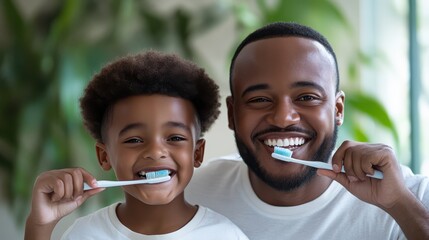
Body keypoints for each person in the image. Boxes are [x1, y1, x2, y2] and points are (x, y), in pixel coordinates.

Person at [185, 22, 429, 239]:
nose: (282, 119)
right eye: (259, 99)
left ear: (338, 109)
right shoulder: (187, 196)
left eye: (307, 97)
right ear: (232, 114)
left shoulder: (413, 197)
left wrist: (400, 204)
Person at [24, 51, 249, 240]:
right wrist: (40, 226)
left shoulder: (225, 236)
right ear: (104, 157)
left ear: (197, 153)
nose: (155, 152)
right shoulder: (85, 234)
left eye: (175, 138)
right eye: (134, 140)